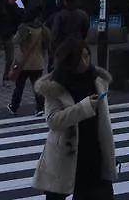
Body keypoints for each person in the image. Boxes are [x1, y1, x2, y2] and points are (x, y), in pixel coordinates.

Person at [33, 39, 117, 200]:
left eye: (87, 56)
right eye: (80, 58)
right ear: (69, 61)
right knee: (56, 194)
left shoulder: (98, 80)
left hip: (93, 149)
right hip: (64, 151)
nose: (85, 61)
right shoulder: (55, 85)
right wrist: (83, 107)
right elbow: (53, 120)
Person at [9, 6, 52, 116]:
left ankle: (14, 107)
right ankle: (40, 108)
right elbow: (47, 42)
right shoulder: (42, 29)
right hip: (38, 62)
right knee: (37, 86)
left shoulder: (23, 28)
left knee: (19, 87)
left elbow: (15, 41)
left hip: (24, 63)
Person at [0, 0, 24, 85]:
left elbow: (20, 18)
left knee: (10, 59)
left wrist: (14, 31)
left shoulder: (16, 8)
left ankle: (6, 78)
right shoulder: (0, 7)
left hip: (9, 35)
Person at [50, 0, 90, 72]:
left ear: (65, 2)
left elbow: (55, 34)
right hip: (79, 46)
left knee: (61, 74)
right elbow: (85, 31)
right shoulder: (83, 15)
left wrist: (53, 52)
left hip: (63, 48)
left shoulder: (60, 16)